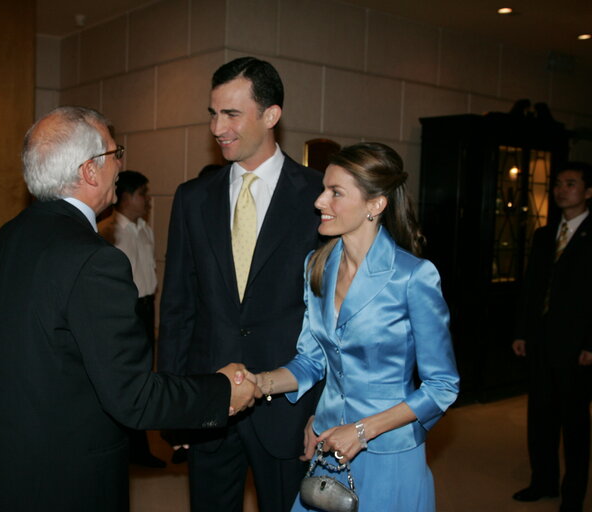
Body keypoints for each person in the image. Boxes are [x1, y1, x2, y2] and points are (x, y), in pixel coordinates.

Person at [0, 106, 257, 512]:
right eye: (116, 154)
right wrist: (221, 392)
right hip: (63, 481)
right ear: (90, 171)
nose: (121, 164)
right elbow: (133, 396)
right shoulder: (94, 260)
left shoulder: (7, 237)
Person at [248, 143, 460, 512]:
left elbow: (443, 386)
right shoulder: (317, 266)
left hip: (389, 451)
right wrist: (259, 383)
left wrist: (362, 430)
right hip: (329, 443)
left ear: (375, 205)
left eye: (335, 192)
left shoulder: (413, 277)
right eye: (323, 189)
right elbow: (312, 362)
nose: (319, 201)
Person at [157, 56, 323, 512]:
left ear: (271, 115)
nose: (217, 127)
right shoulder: (193, 198)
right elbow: (178, 307)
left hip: (291, 406)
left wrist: (327, 412)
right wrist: (178, 406)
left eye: (231, 113)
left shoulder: (318, 196)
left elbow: (333, 314)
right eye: (213, 113)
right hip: (210, 405)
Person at [511, 162, 592, 512]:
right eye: (558, 184)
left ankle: (572, 494)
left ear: (588, 192)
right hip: (541, 341)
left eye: (571, 184)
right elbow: (531, 289)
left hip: (577, 345)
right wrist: (522, 332)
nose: (561, 190)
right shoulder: (545, 235)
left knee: (574, 423)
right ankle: (541, 481)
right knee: (540, 417)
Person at [98, 170, 165, 468]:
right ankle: (127, 448)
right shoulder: (111, 230)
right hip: (127, 309)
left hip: (146, 307)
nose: (147, 201)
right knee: (127, 377)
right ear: (125, 196)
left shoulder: (144, 229)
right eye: (142, 194)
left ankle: (140, 448)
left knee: (144, 376)